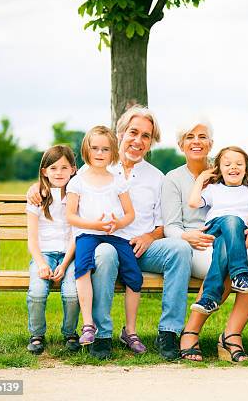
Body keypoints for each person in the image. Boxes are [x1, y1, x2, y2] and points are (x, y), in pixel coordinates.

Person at [27, 105, 192, 360]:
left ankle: (169, 332)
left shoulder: (157, 177)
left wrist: (150, 237)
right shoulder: (91, 169)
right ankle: (101, 334)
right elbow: (60, 187)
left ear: (151, 142)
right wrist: (35, 190)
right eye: (133, 132)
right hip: (104, 243)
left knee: (180, 249)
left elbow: (164, 225)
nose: (138, 140)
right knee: (104, 252)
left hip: (143, 247)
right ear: (121, 133)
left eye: (145, 136)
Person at [163, 119, 248, 362]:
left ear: (211, 143)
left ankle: (231, 334)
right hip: (198, 246)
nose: (196, 141)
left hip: (236, 243)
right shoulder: (176, 179)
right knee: (228, 231)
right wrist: (188, 235)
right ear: (181, 143)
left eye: (202, 136)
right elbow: (171, 226)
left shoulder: (226, 174)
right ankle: (191, 331)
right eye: (190, 137)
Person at [65, 125, 145, 353]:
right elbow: (71, 215)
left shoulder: (118, 181)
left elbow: (130, 214)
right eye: (95, 148)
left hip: (115, 235)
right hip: (88, 234)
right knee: (82, 269)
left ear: (113, 153)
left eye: (105, 149)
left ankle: (130, 330)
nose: (100, 153)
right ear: (86, 150)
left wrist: (116, 224)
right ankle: (88, 324)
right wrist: (94, 225)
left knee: (134, 277)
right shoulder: (78, 182)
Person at [188, 147, 248, 315]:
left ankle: (209, 298)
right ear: (220, 169)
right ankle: (240, 274)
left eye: (239, 164)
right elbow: (193, 202)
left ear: (246, 169)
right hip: (216, 227)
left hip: (237, 234)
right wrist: (201, 178)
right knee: (231, 219)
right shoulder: (214, 189)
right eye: (227, 164)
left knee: (223, 248)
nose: (233, 167)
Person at [25, 145, 80, 355]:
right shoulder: (37, 197)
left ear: (73, 170)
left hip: (70, 256)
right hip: (44, 255)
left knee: (71, 292)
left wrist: (65, 264)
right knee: (37, 292)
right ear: (44, 171)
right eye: (53, 167)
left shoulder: (76, 197)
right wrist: (41, 263)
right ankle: (37, 334)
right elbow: (32, 239)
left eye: (64, 167)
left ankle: (70, 332)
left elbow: (77, 234)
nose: (59, 173)